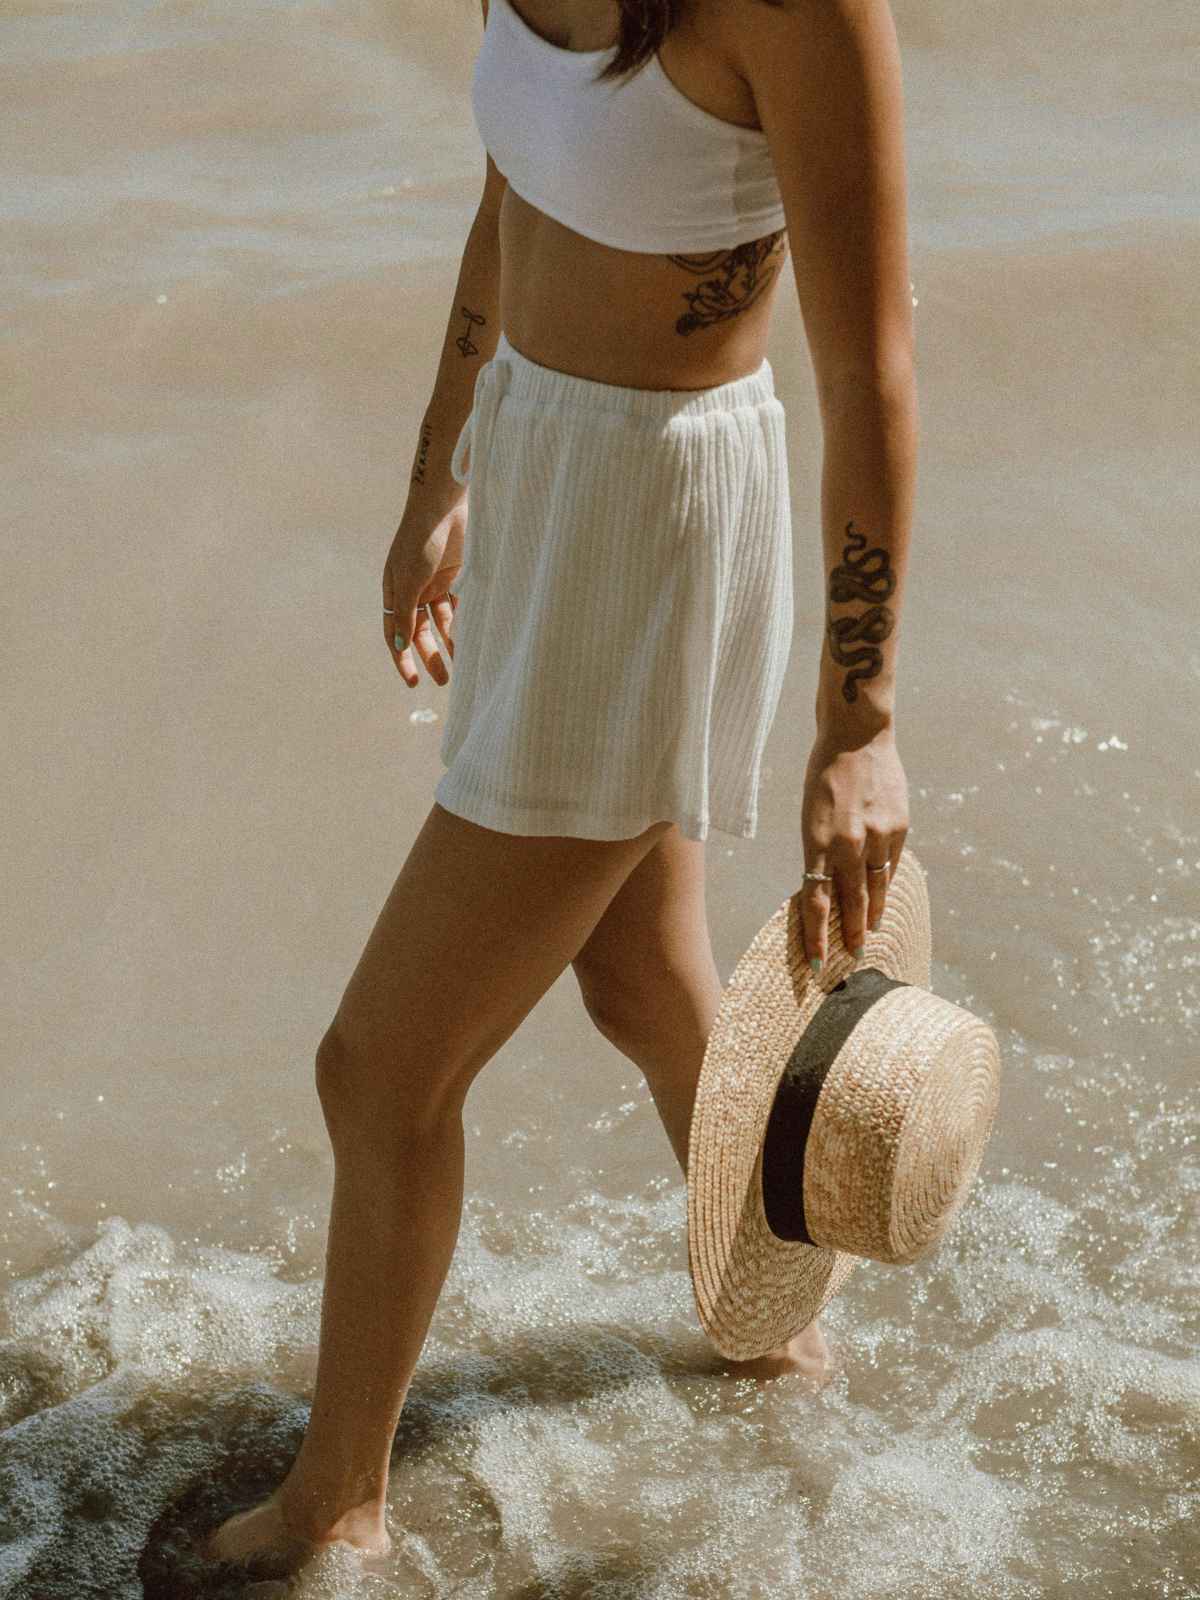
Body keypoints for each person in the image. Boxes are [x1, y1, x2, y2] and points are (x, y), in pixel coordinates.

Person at [201, 0, 914, 1572]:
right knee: (642, 975)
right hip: (541, 454)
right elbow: (510, 190)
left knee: (380, 1072)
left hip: (654, 520)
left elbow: (872, 370)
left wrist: (858, 719)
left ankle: (337, 1512)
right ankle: (784, 1334)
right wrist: (440, 474)